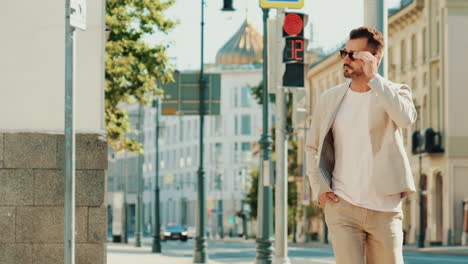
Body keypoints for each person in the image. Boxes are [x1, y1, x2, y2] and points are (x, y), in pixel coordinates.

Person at [305, 27, 417, 264]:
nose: (346, 59)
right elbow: (312, 147)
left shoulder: (395, 92)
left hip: (385, 209)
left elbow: (406, 119)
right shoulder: (329, 99)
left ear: (374, 58)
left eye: (354, 54)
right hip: (343, 206)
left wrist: (375, 79)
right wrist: (320, 189)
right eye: (344, 52)